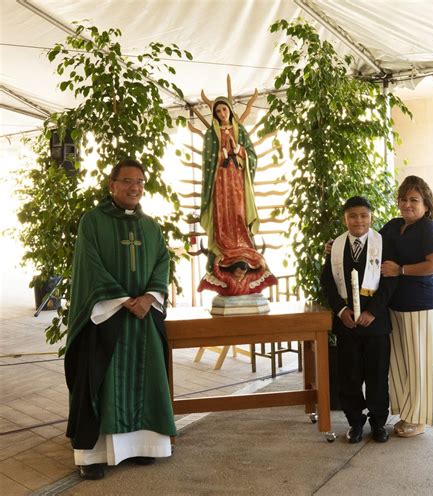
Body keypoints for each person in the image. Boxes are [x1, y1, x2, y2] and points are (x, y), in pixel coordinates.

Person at [65, 159, 176, 480]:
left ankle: (143, 446)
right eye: (127, 181)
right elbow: (89, 264)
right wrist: (124, 299)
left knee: (148, 380)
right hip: (105, 317)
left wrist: (149, 297)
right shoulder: (92, 222)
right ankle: (93, 454)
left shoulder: (151, 227)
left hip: (143, 318)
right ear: (111, 185)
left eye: (140, 182)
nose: (134, 187)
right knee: (99, 381)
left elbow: (162, 262)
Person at [321, 196, 397, 443]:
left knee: (377, 376)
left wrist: (372, 311)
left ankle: (378, 423)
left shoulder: (383, 244)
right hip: (347, 323)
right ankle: (355, 423)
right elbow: (328, 282)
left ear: (371, 218)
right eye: (352, 216)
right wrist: (341, 311)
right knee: (350, 376)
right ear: (345, 219)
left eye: (364, 215)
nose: (358, 221)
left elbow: (389, 281)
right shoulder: (336, 246)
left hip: (375, 322)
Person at [380, 175, 433, 437]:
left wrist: (401, 270)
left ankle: (418, 419)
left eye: (414, 200)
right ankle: (406, 413)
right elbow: (371, 244)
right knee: (401, 364)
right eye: (403, 199)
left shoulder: (429, 229)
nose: (407, 204)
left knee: (420, 364)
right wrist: (335, 246)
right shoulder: (394, 225)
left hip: (422, 305)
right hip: (395, 305)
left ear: (426, 204)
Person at [197, 96, 276, 296]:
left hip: (238, 181)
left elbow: (251, 155)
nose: (222, 114)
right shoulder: (210, 134)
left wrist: (238, 150)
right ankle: (224, 247)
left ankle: (242, 246)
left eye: (224, 110)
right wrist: (220, 156)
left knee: (239, 213)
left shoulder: (240, 130)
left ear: (230, 110)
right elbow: (207, 161)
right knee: (222, 214)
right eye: (218, 111)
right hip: (220, 182)